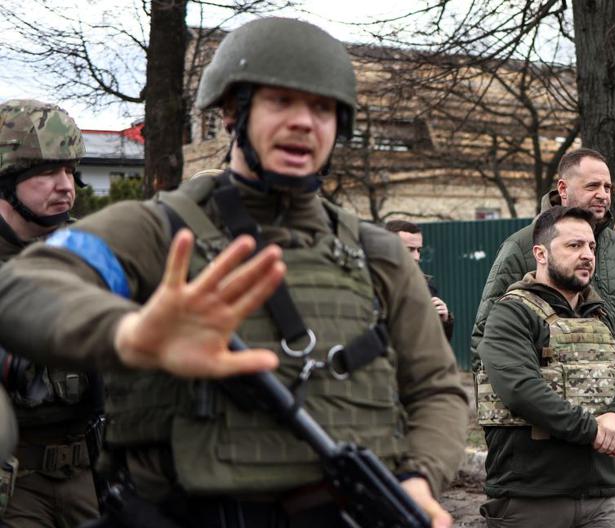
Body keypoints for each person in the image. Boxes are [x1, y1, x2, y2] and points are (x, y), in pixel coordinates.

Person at [0, 17, 467, 528]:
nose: (304, 122)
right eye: (279, 102)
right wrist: (131, 333)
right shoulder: (157, 231)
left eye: (322, 107)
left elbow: (434, 387)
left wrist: (420, 478)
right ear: (230, 111)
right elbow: (26, 287)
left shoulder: (378, 252)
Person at [471, 148, 615, 518]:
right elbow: (488, 342)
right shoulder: (521, 248)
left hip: (609, 436)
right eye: (592, 185)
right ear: (563, 188)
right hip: (538, 456)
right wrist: (503, 431)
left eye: (608, 186)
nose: (604, 194)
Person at [0, 99, 101, 527]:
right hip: (13, 483)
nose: (66, 185)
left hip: (91, 473)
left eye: (70, 170)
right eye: (46, 172)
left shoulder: (95, 252)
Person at [385, 219, 454, 340]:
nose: (416, 257)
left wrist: (444, 321)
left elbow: (436, 344)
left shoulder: (426, 286)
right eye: (409, 249)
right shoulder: (371, 285)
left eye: (418, 250)